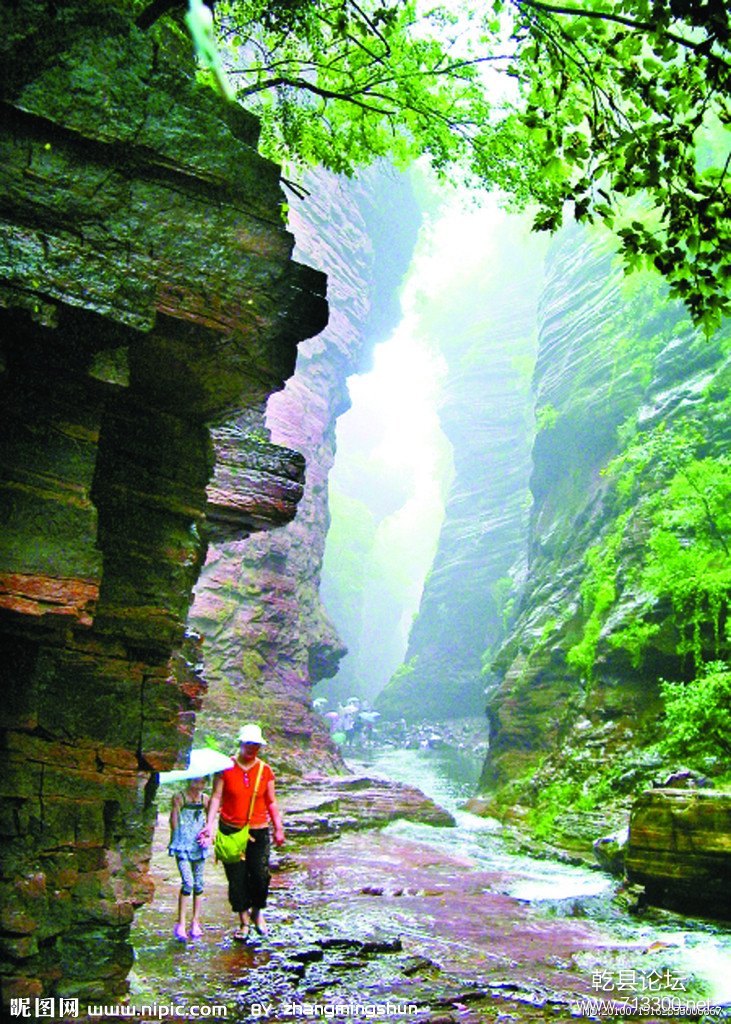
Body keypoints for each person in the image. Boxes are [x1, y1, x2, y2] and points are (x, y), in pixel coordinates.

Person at [199, 723, 285, 940]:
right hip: (230, 829)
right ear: (240, 743)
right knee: (236, 878)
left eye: (256, 745)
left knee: (260, 875)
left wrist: (278, 828)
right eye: (249, 744)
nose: (252, 748)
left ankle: (258, 912)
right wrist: (209, 825)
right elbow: (217, 797)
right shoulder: (225, 767)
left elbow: (271, 801)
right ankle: (243, 921)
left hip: (258, 830)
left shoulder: (265, 770)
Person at [168, 775, 210, 942]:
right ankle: (181, 922)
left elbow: (209, 820)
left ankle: (195, 921)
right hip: (182, 844)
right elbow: (174, 821)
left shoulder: (205, 798)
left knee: (199, 883)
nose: (198, 785)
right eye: (195, 781)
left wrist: (207, 835)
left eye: (202, 782)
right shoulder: (180, 797)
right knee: (188, 882)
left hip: (198, 846)